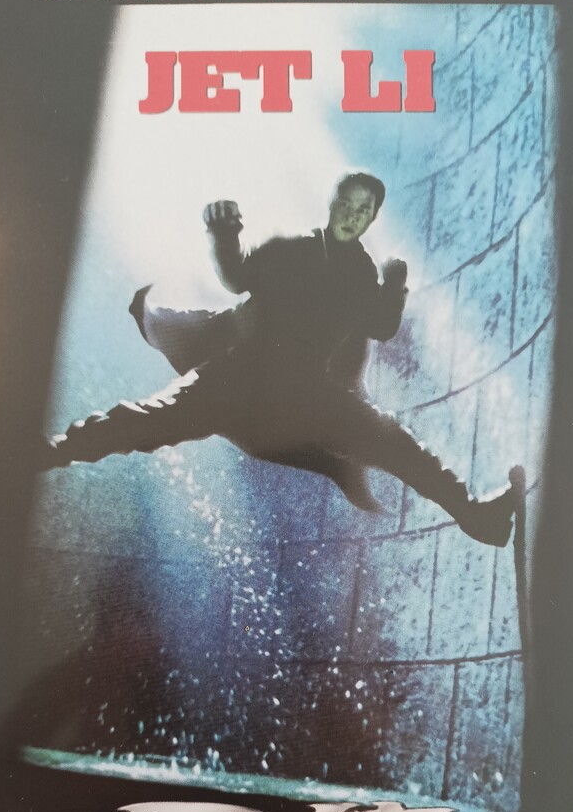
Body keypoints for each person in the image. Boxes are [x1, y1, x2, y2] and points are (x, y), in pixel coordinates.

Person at [43, 172, 516, 547]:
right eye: (347, 204)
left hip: (306, 391)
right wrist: (224, 232)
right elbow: (236, 275)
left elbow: (381, 326)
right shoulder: (290, 247)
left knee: (395, 443)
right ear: (332, 203)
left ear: (372, 219)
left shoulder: (360, 272)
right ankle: (57, 450)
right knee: (151, 419)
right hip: (239, 376)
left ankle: (477, 517)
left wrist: (394, 286)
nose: (352, 216)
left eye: (363, 211)